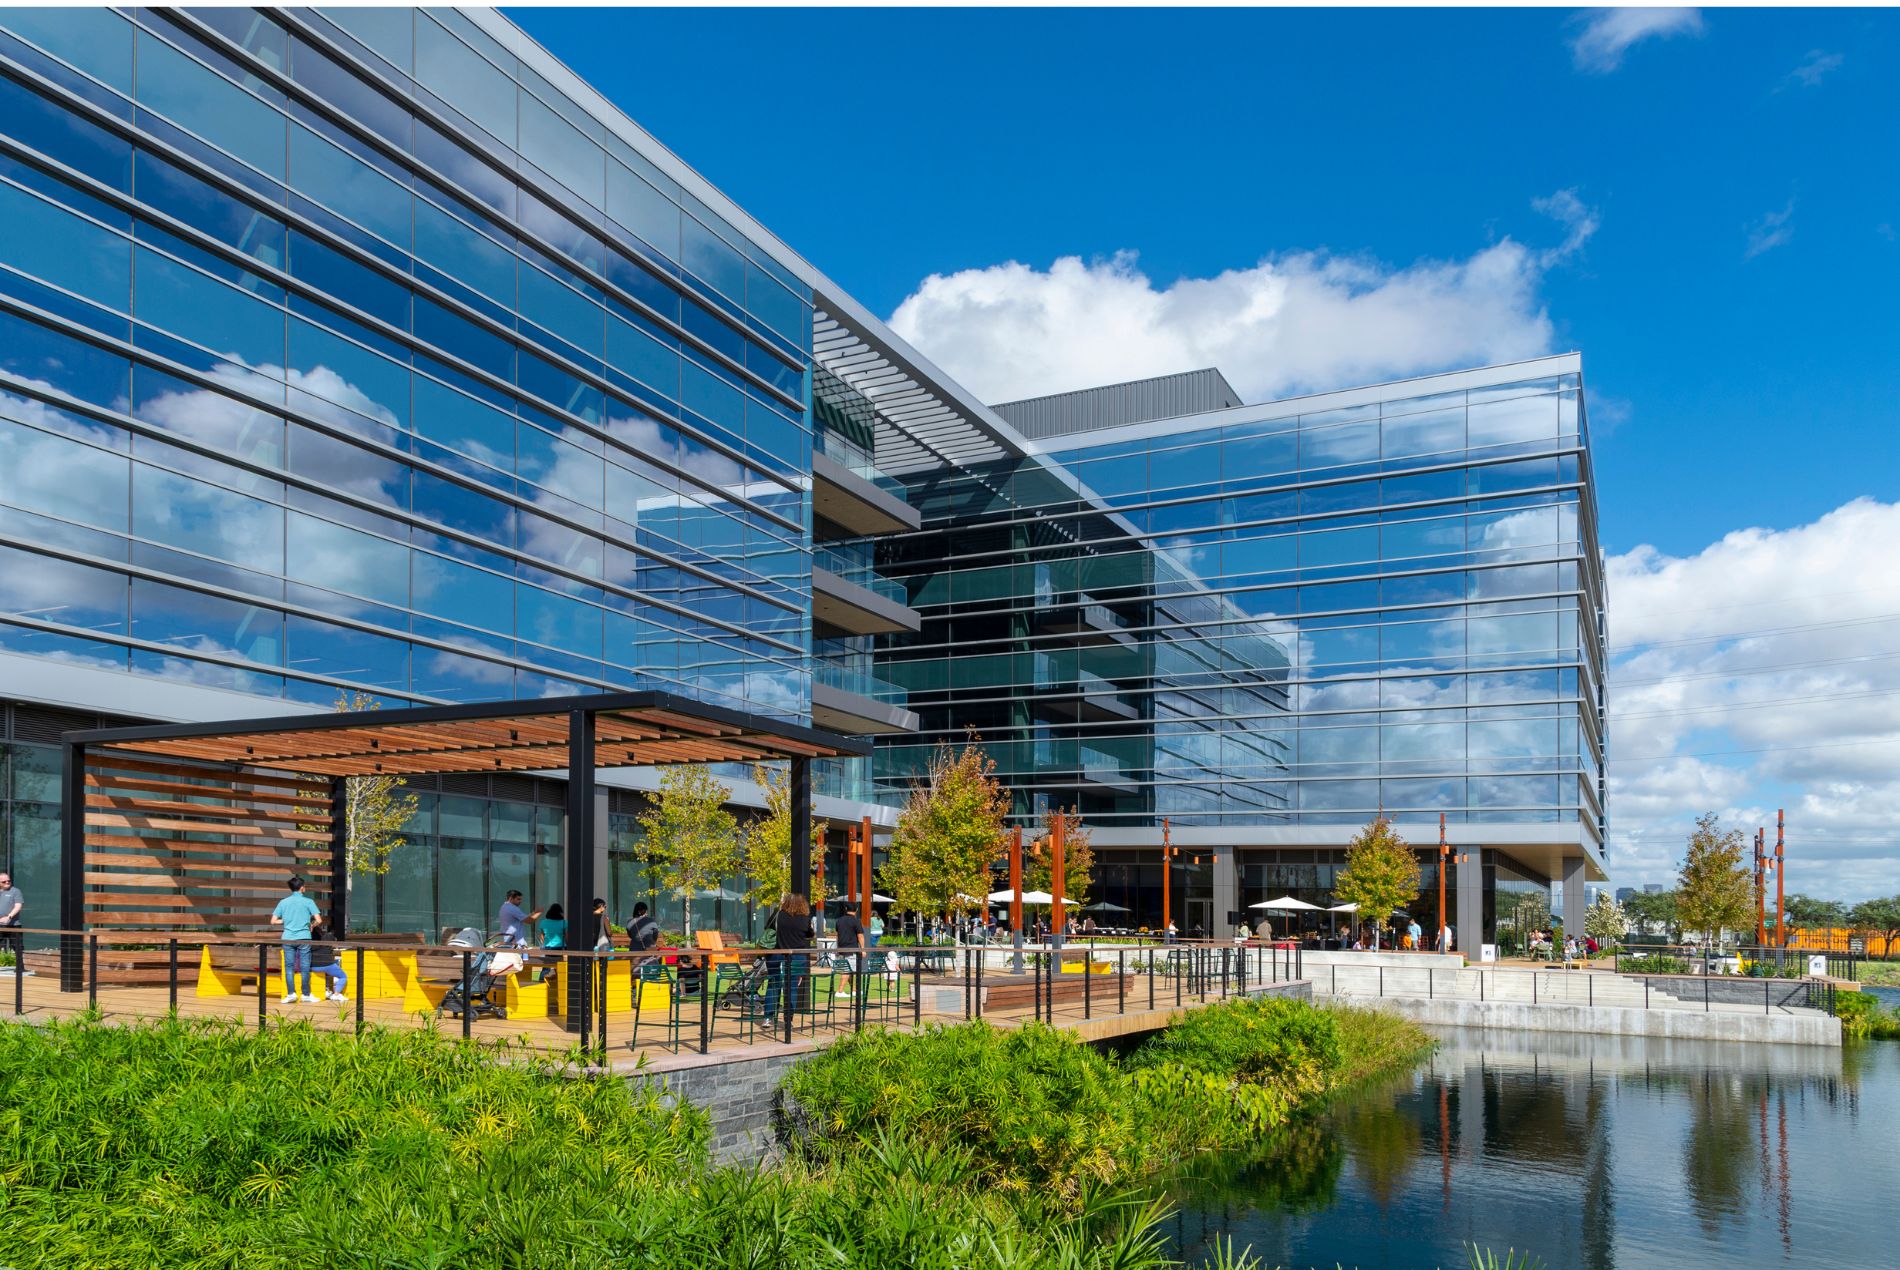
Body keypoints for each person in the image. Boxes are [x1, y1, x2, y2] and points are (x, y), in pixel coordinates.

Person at [762, 893, 813, 1027]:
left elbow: (767, 928)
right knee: (792, 988)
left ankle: (768, 1017)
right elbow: (810, 934)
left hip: (776, 954)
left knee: (773, 984)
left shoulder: (778, 915)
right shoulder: (805, 919)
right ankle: (788, 1020)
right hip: (797, 956)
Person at [270, 876, 322, 1004]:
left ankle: (291, 994)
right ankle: (306, 995)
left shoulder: (283, 902)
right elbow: (319, 920)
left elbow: (273, 921)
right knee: (304, 966)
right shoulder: (309, 902)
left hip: (288, 938)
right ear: (302, 888)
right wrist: (312, 925)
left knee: (289, 967)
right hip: (304, 937)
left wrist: (287, 920)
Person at [308, 915, 348, 1002]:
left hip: (312, 965)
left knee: (323, 974)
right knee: (343, 976)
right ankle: (336, 994)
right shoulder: (328, 936)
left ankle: (326, 990)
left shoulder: (307, 938)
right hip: (327, 964)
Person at [0, 870, 22, 966]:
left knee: (17, 947)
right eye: (4, 882)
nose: (7, 882)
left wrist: (9, 916)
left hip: (13, 925)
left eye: (8, 880)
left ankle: (20, 968)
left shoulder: (15, 891)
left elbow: (18, 906)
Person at [834, 904, 864, 973]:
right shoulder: (856, 921)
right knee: (848, 971)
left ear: (846, 909)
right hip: (852, 950)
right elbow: (860, 936)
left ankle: (851, 984)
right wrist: (863, 949)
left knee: (845, 970)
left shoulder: (839, 920)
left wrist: (837, 948)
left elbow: (838, 935)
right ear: (857, 910)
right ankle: (841, 984)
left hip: (841, 949)